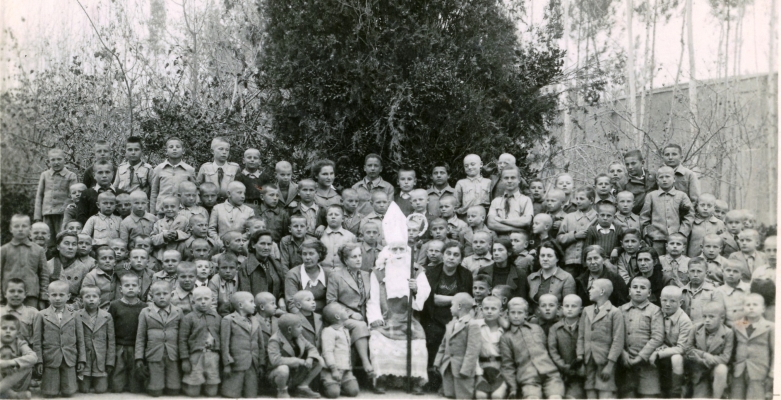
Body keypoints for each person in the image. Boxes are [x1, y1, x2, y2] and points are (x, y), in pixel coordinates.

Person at [367, 210, 431, 394]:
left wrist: (416, 288)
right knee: (378, 342)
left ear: (407, 250)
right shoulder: (378, 272)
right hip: (387, 318)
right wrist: (375, 319)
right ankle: (382, 378)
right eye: (394, 249)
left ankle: (416, 380)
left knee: (418, 345)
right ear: (387, 251)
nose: (398, 253)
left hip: (409, 318)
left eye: (401, 249)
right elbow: (372, 299)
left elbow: (424, 292)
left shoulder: (416, 270)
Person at [422, 242, 473, 374]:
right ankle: (433, 374)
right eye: (448, 253)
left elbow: (466, 299)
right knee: (433, 333)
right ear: (443, 255)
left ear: (461, 259)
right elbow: (430, 299)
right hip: (433, 317)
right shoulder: (430, 273)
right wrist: (455, 299)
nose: (451, 257)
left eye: (456, 255)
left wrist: (442, 299)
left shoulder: (466, 274)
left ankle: (450, 374)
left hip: (456, 317)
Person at [499, 297, 564, 399]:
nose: (516, 316)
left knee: (556, 396)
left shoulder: (536, 329)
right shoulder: (506, 337)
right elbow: (508, 365)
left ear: (526, 314)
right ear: (508, 314)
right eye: (513, 313)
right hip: (528, 378)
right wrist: (513, 387)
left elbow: (548, 349)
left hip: (550, 374)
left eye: (520, 313)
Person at [326, 243, 374, 376]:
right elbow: (331, 302)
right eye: (354, 257)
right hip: (342, 317)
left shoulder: (367, 275)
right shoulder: (336, 275)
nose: (359, 259)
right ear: (345, 260)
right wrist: (351, 314)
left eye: (359, 256)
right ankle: (366, 363)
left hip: (366, 315)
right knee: (360, 326)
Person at [32, 280, 86, 398]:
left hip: (69, 357)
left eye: (61, 295)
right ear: (48, 296)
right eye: (54, 295)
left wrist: (82, 359)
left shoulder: (75, 314)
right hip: (50, 357)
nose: (57, 298)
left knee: (69, 392)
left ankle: (68, 384)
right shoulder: (41, 315)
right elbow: (37, 341)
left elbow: (80, 339)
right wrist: (39, 361)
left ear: (68, 296)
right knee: (49, 393)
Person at [575, 279, 624, 399]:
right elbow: (581, 337)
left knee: (605, 393)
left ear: (602, 291)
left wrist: (610, 365)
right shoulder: (586, 311)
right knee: (590, 392)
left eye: (592, 288)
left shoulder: (614, 312)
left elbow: (618, 340)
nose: (589, 290)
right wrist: (580, 359)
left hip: (605, 362)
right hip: (588, 362)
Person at [135, 280, 183, 397]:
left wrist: (183, 356)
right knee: (155, 392)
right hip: (154, 353)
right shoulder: (145, 312)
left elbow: (182, 336)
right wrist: (139, 358)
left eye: (165, 294)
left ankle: (172, 383)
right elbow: (140, 336)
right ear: (151, 296)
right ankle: (153, 383)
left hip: (173, 354)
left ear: (171, 295)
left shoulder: (178, 311)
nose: (162, 297)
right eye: (158, 294)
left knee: (174, 391)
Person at [618, 276, 664, 398]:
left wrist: (640, 357)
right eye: (635, 287)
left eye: (642, 288)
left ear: (649, 293)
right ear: (629, 291)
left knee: (649, 396)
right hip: (625, 363)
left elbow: (657, 337)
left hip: (647, 364)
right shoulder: (620, 310)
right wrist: (623, 353)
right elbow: (615, 335)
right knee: (627, 395)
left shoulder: (655, 311)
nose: (638, 290)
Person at [433, 292, 481, 400]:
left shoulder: (472, 324)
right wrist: (438, 362)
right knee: (449, 394)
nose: (450, 308)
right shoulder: (451, 323)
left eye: (452, 305)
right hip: (448, 366)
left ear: (459, 306)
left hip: (462, 368)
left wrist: (466, 369)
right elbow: (443, 345)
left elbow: (472, 350)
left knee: (463, 395)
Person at [639, 166, 695, 256]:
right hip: (656, 239)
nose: (664, 180)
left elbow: (689, 215)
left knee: (676, 261)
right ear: (657, 181)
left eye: (667, 176)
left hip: (676, 239)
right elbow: (644, 217)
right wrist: (648, 234)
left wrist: (682, 233)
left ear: (674, 179)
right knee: (657, 262)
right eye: (661, 177)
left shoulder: (682, 196)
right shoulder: (651, 196)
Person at [267, 313, 324, 398]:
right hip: (277, 375)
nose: (302, 329)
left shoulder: (298, 336)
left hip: (294, 372)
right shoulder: (274, 340)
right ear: (289, 329)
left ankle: (302, 387)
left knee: (319, 361)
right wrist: (298, 361)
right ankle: (282, 391)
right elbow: (275, 360)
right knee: (283, 369)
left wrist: (310, 358)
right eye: (299, 326)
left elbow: (312, 348)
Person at [650, 286, 693, 399]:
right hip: (664, 349)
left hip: (682, 356)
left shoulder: (684, 320)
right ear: (660, 299)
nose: (667, 304)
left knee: (676, 358)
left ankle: (676, 392)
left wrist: (659, 353)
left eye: (672, 301)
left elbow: (682, 348)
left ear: (680, 302)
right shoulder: (658, 313)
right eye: (664, 300)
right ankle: (656, 390)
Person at [178, 286, 222, 397]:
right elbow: (182, 340)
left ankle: (208, 385)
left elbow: (222, 337)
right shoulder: (188, 318)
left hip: (212, 355)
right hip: (195, 356)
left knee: (212, 393)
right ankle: (188, 385)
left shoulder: (217, 317)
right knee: (193, 393)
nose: (203, 302)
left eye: (206, 299)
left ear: (212, 299)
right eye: (199, 299)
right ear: (193, 300)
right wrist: (185, 359)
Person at [685, 301, 733, 399]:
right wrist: (704, 355)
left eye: (711, 317)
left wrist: (709, 361)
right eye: (704, 316)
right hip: (699, 370)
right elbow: (688, 348)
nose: (707, 320)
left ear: (722, 319)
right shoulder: (695, 328)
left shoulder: (728, 333)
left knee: (722, 369)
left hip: (715, 369)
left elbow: (725, 358)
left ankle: (717, 396)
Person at [731, 293, 774, 400]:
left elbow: (776, 352)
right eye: (748, 304)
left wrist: (772, 373)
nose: (751, 307)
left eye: (755, 305)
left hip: (759, 372)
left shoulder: (770, 327)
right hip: (739, 370)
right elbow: (732, 348)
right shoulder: (736, 325)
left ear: (763, 309)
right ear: (743, 308)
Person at [107, 274, 146, 393]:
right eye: (127, 285)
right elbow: (109, 325)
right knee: (117, 381)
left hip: (135, 346)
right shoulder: (114, 305)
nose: (130, 288)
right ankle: (118, 384)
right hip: (119, 345)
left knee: (135, 387)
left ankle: (133, 384)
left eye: (134, 285)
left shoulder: (144, 307)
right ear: (120, 289)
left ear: (139, 289)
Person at [220, 291, 263, 398]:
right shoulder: (228, 320)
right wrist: (227, 363)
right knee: (231, 394)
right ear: (240, 305)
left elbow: (261, 344)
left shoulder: (255, 320)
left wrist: (261, 362)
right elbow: (224, 344)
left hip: (253, 364)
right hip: (236, 364)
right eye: (251, 302)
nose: (254, 305)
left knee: (251, 395)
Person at [1, 215, 49, 308]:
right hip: (8, 295)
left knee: (30, 320)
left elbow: (44, 275)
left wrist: (43, 297)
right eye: (16, 226)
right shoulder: (4, 250)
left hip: (31, 295)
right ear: (11, 229)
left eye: (24, 226)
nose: (20, 229)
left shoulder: (38, 250)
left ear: (30, 229)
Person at [34, 148, 78, 246]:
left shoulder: (71, 176)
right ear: (48, 161)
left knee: (62, 238)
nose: (56, 162)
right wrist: (37, 216)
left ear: (64, 160)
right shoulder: (44, 175)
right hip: (47, 214)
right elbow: (39, 196)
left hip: (63, 215)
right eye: (53, 160)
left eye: (59, 159)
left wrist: (66, 209)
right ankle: (48, 259)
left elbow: (73, 196)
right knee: (48, 241)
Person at [76, 285, 115, 394]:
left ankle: (98, 377)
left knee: (101, 390)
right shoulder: (77, 315)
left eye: (94, 296)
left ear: (100, 300)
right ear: (81, 300)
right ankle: (86, 377)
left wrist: (110, 362)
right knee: (84, 390)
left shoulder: (107, 316)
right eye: (87, 296)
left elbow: (111, 341)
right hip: (85, 360)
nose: (91, 299)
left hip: (100, 359)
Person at [320, 303, 361, 398]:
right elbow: (327, 351)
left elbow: (347, 352)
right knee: (333, 394)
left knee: (354, 391)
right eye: (343, 309)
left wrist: (349, 368)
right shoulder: (329, 331)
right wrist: (333, 369)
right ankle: (326, 384)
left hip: (345, 370)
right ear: (337, 316)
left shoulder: (344, 330)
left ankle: (339, 385)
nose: (346, 310)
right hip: (331, 370)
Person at [548, 294, 585, 400]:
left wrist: (582, 366)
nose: (569, 309)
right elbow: (552, 351)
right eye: (566, 306)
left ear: (581, 309)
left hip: (579, 374)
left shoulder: (585, 327)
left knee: (572, 396)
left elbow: (588, 348)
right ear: (561, 308)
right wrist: (563, 366)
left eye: (573, 306)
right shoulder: (555, 328)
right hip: (559, 372)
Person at [557, 186, 597, 277]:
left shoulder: (598, 218)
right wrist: (574, 236)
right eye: (577, 198)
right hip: (569, 262)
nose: (578, 201)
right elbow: (559, 239)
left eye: (582, 199)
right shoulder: (569, 217)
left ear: (591, 200)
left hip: (590, 262)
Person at [149, 137, 196, 215]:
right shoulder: (159, 169)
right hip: (162, 210)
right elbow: (154, 192)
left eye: (178, 147)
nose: (174, 149)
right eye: (171, 147)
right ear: (166, 151)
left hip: (181, 210)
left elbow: (194, 192)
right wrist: (152, 213)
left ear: (183, 151)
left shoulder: (189, 170)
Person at [240, 230, 288, 303]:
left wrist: (281, 300)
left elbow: (282, 289)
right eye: (262, 244)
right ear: (253, 245)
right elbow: (245, 295)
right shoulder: (245, 266)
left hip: (275, 308)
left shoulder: (276, 264)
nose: (266, 247)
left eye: (269, 244)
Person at [527, 240, 576, 311]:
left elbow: (569, 307)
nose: (545, 259)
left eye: (549, 256)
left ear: (557, 258)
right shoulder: (531, 278)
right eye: (542, 255)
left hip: (557, 319)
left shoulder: (567, 278)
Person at [286, 240, 331, 313]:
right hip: (302, 316)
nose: (307, 257)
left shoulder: (329, 274)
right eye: (304, 254)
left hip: (326, 314)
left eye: (311, 254)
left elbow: (332, 301)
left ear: (319, 255)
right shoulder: (293, 274)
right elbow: (292, 304)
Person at [486, 167, 533, 234]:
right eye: (506, 178)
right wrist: (516, 229)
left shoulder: (526, 200)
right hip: (500, 238)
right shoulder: (496, 201)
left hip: (519, 238)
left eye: (513, 178)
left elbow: (526, 221)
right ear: (502, 180)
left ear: (519, 180)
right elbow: (491, 224)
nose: (509, 181)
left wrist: (502, 221)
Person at [0, 314, 37, 399]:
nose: (8, 331)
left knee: (27, 365)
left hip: (16, 383)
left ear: (18, 333)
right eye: (4, 328)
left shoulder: (20, 343)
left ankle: (6, 393)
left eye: (12, 329)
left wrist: (10, 363)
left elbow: (33, 357)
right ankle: (13, 395)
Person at [208, 181, 255, 248]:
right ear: (229, 194)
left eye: (244, 193)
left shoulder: (249, 211)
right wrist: (219, 242)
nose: (243, 196)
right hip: (221, 246)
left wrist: (238, 242)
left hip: (242, 246)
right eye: (239, 193)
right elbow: (211, 229)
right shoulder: (217, 209)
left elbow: (250, 231)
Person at [47, 231, 90, 299]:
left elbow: (84, 295)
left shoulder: (83, 268)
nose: (70, 247)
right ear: (58, 246)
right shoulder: (48, 266)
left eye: (74, 244)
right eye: (67, 243)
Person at [681, 258, 723, 323]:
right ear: (687, 273)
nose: (695, 274)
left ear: (706, 273)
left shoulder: (714, 292)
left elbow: (718, 315)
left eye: (699, 271)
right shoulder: (681, 291)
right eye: (692, 271)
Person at [0, 279, 38, 345]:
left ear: (25, 294)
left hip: (26, 352)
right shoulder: (1, 312)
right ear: (5, 294)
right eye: (12, 291)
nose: (16, 294)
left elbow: (38, 338)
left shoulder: (32, 313)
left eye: (20, 291)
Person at [455, 154, 491, 218]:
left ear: (481, 164)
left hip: (484, 218)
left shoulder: (488, 182)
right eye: (466, 166)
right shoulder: (461, 183)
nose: (469, 167)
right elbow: (456, 205)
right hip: (466, 218)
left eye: (472, 164)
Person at [235, 148, 266, 215]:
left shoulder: (264, 177)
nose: (252, 160)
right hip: (243, 208)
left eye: (255, 158)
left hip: (260, 208)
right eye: (249, 157)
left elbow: (267, 193)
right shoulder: (239, 177)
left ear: (260, 162)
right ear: (243, 160)